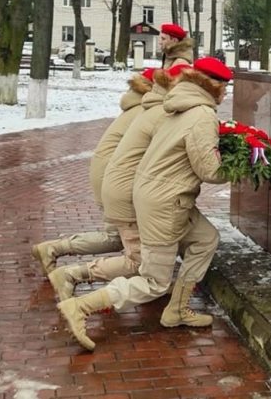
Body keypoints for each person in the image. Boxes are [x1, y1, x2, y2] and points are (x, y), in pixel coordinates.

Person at [57, 57, 232, 351]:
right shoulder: (201, 113)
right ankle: (82, 307)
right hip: (166, 202)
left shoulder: (178, 105)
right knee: (154, 281)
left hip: (160, 194)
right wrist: (242, 167)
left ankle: (177, 310)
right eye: (224, 88)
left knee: (205, 239)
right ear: (212, 86)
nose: (226, 94)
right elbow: (210, 171)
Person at [46, 64, 187, 300]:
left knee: (123, 241)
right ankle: (70, 274)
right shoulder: (155, 112)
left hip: (113, 178)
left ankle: (54, 252)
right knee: (134, 255)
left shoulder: (142, 106)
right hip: (121, 185)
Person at [31, 68, 156, 275]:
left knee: (115, 236)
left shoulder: (135, 105)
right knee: (124, 241)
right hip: (115, 177)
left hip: (106, 173)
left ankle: (52, 249)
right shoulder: (144, 110)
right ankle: (72, 274)